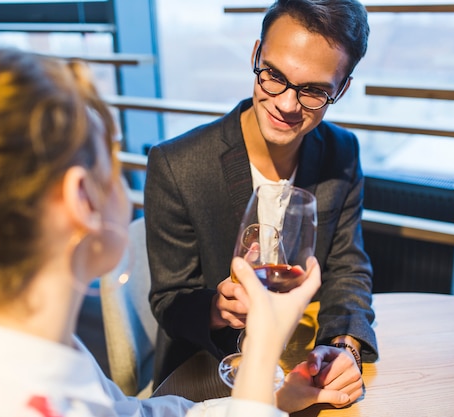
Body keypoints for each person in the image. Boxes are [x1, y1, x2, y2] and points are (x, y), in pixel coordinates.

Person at [0, 48, 321, 417]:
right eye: (114, 166)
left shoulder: (8, 339)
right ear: (82, 198)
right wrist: (263, 349)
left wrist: (269, 401)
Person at [145, 0, 379, 412]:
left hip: (297, 365)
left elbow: (347, 267)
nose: (287, 105)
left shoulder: (342, 152)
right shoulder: (178, 165)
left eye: (313, 90)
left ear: (340, 88)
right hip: (204, 373)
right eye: (274, 76)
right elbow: (170, 301)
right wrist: (218, 308)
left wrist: (344, 346)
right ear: (256, 56)